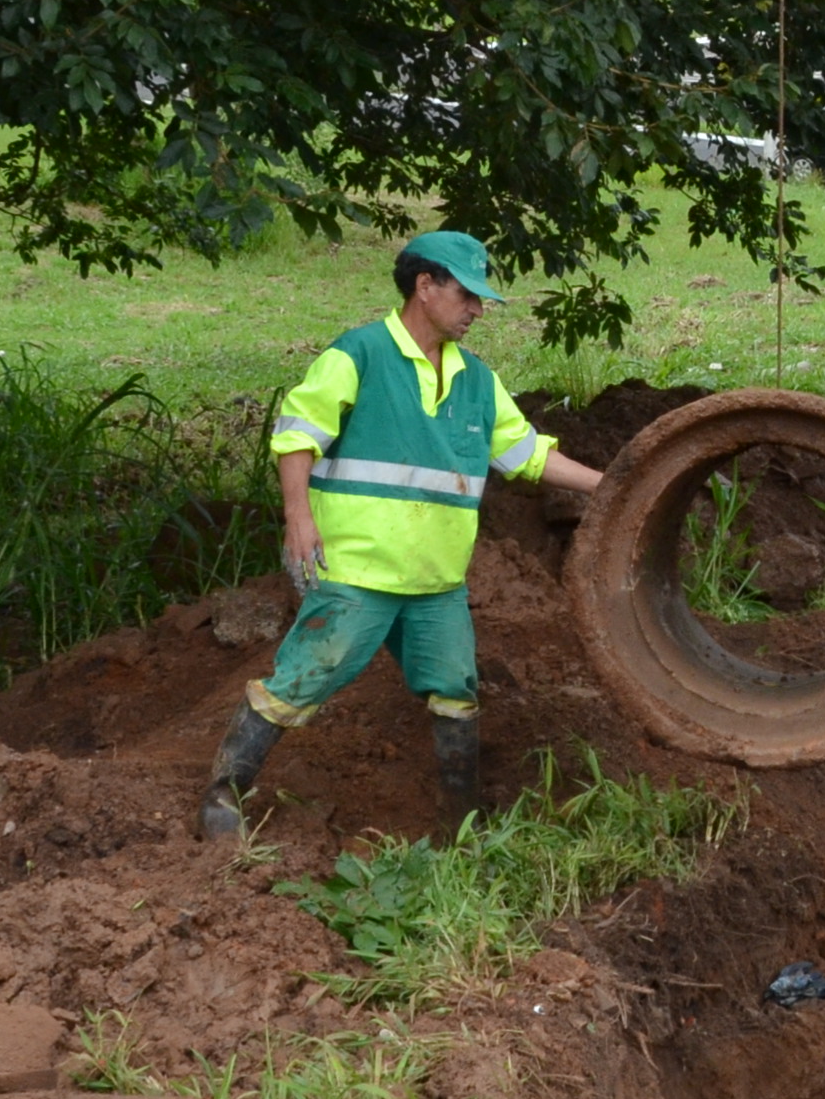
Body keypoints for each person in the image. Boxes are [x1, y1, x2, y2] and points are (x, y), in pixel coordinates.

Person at [200, 231, 604, 841]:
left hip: (437, 581)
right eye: (468, 295)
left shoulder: (476, 380)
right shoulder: (358, 355)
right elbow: (297, 436)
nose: (477, 310)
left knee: (456, 691)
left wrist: (612, 484)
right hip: (358, 571)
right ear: (425, 286)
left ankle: (458, 827)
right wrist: (298, 517)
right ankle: (221, 798)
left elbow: (529, 455)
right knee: (304, 678)